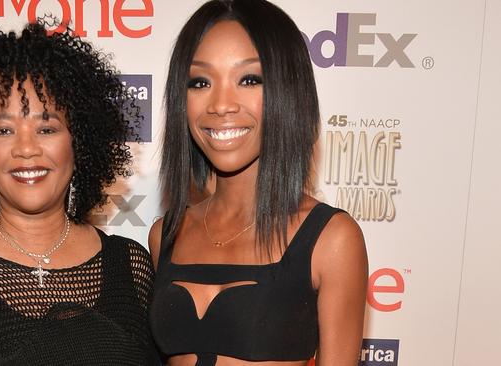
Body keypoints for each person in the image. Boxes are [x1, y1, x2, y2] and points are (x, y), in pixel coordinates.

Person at [0, 22, 158, 365]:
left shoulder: (132, 267)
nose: (26, 148)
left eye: (46, 128)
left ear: (78, 141)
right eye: (3, 130)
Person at [149, 1, 368, 365]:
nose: (221, 105)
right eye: (200, 81)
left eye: (249, 79)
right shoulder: (166, 234)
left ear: (288, 90)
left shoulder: (331, 238)